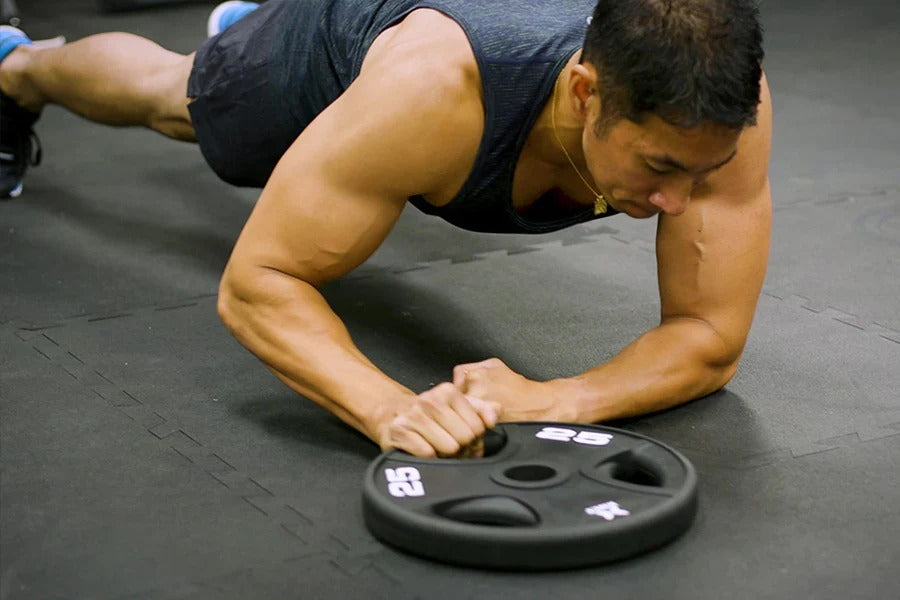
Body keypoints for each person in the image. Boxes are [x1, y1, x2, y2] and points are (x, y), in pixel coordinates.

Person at [0, 0, 772, 458]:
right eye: (660, 167)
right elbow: (257, 284)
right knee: (176, 96)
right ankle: (19, 65)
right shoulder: (433, 95)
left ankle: (253, 23)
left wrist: (561, 398)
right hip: (341, 47)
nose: (680, 200)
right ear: (584, 91)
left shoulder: (715, 114)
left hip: (426, 43)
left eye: (702, 172)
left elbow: (710, 332)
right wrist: (388, 407)